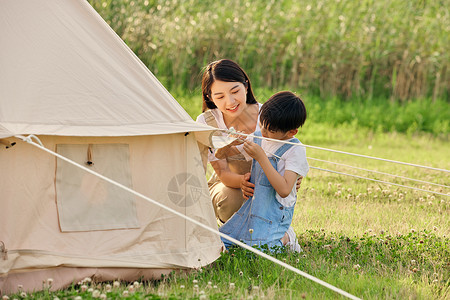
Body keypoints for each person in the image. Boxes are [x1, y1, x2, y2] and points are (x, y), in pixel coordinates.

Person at [196, 59, 302, 249]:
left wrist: (293, 177)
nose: (230, 102)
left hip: (266, 183)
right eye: (219, 96)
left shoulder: (268, 115)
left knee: (264, 201)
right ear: (210, 97)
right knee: (233, 198)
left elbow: (290, 153)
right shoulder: (207, 123)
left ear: (246, 85)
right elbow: (223, 172)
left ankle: (277, 233)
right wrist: (242, 182)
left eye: (235, 91)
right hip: (228, 184)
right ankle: (244, 232)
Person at [218, 91, 309, 250]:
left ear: (292, 132)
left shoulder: (295, 150)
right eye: (262, 125)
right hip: (252, 206)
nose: (264, 133)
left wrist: (261, 158)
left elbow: (285, 190)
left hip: (276, 214)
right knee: (219, 241)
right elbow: (227, 153)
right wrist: (228, 143)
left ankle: (286, 238)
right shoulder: (260, 135)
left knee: (257, 252)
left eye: (270, 131)